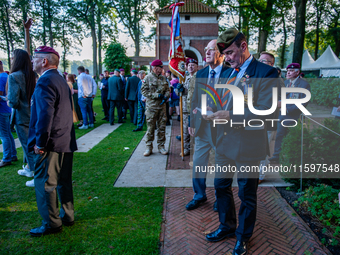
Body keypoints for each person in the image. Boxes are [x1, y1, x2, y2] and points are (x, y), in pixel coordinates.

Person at [204, 28, 279, 255]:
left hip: (249, 145)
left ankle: (243, 237)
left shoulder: (267, 73)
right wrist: (211, 109)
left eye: (230, 52)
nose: (226, 58)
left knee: (246, 193)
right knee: (220, 187)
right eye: (224, 54)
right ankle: (227, 227)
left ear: (243, 46)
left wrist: (230, 116)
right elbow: (221, 101)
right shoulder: (227, 73)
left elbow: (268, 112)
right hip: (225, 143)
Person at [28, 46, 77, 237]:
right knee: (64, 181)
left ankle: (51, 223)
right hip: (65, 139)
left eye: (35, 58)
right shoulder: (61, 80)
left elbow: (45, 116)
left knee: (46, 183)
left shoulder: (45, 81)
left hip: (51, 143)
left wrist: (40, 143)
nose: (32, 61)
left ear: (44, 61)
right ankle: (68, 215)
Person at [187, 40, 228, 212]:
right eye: (206, 50)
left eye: (211, 50)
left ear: (221, 54)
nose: (207, 52)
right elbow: (195, 99)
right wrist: (192, 122)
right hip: (203, 127)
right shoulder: (202, 72)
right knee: (198, 162)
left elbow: (234, 102)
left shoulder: (231, 73)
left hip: (222, 129)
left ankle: (221, 198)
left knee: (221, 166)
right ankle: (199, 195)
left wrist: (216, 109)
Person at [269, 63, 311, 163]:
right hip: (282, 114)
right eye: (288, 70)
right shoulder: (285, 82)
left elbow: (304, 101)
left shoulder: (304, 84)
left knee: (292, 136)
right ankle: (277, 156)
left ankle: (292, 156)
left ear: (297, 72)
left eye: (291, 71)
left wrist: (287, 108)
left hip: (294, 115)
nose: (288, 72)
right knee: (279, 135)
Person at [7, 49, 36, 186]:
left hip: (21, 116)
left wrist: (8, 101)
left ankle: (36, 174)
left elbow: (13, 100)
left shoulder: (14, 76)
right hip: (33, 114)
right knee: (33, 144)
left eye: (13, 57)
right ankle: (29, 168)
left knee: (27, 145)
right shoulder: (33, 75)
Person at [141, 59, 170, 156]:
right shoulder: (148, 78)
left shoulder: (163, 78)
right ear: (155, 68)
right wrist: (157, 95)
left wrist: (166, 96)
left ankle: (161, 146)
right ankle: (148, 147)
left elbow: (167, 89)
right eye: (160, 67)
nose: (162, 69)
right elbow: (144, 91)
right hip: (151, 108)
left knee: (162, 128)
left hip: (162, 107)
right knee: (150, 128)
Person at [176, 58, 198, 156]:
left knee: (196, 131)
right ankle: (186, 148)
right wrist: (178, 89)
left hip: (195, 109)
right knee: (185, 131)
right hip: (185, 109)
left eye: (193, 65)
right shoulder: (185, 78)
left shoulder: (199, 78)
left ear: (197, 66)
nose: (190, 67)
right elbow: (182, 94)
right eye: (189, 65)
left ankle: (196, 149)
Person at [0, 60, 17, 168]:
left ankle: (6, 158)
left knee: (4, 135)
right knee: (7, 133)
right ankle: (12, 154)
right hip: (7, 109)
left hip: (2, 109)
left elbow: (1, 95)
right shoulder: (6, 76)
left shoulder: (1, 77)